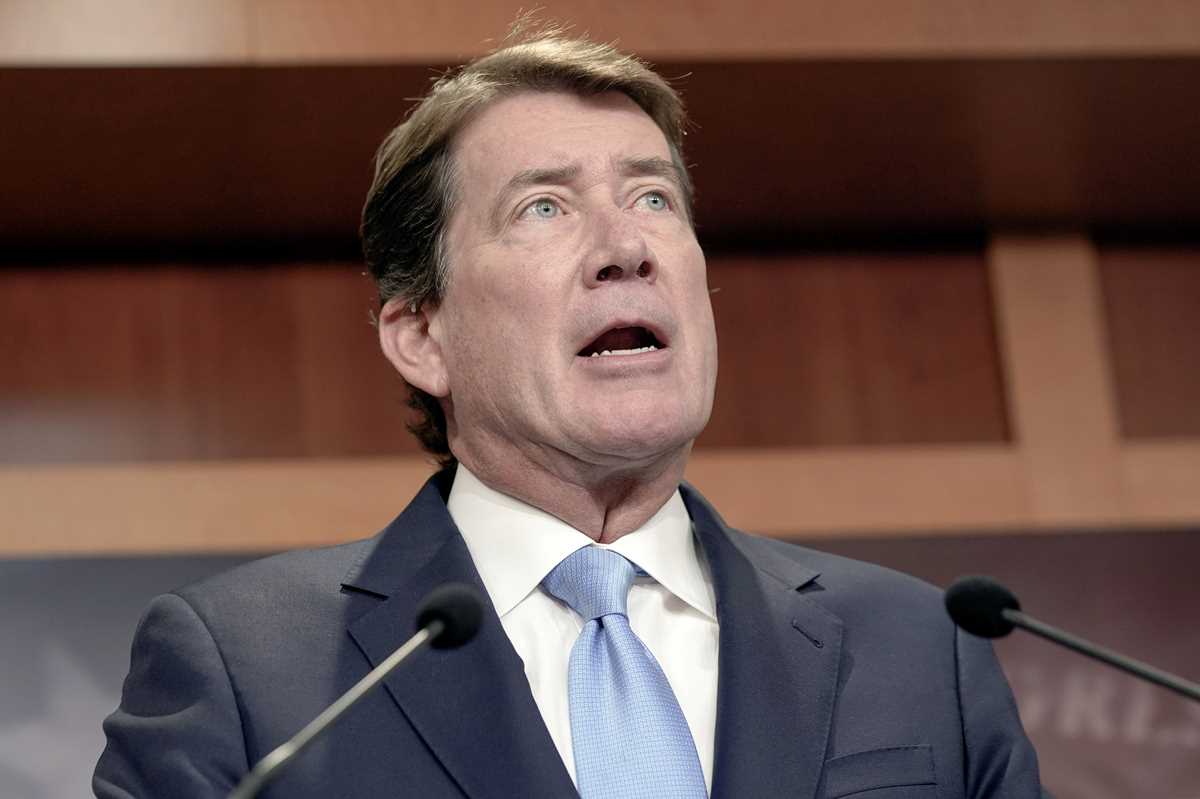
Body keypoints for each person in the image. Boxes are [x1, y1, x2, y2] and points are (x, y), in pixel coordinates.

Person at [94, 28, 1041, 798]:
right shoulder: (250, 673)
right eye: (544, 208)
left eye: (653, 197)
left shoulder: (921, 649)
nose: (626, 245)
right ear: (421, 335)